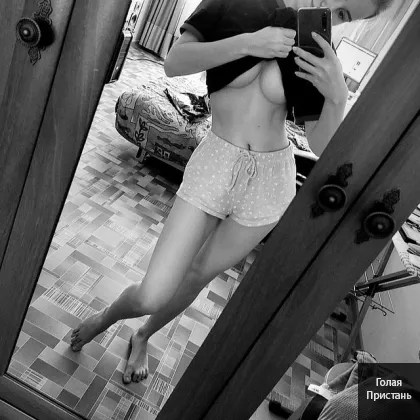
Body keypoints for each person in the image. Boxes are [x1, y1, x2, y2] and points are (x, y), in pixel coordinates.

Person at [71, 0, 394, 384]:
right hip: (215, 165)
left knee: (197, 276)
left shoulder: (314, 55)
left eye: (343, 16)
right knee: (151, 294)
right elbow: (175, 62)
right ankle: (105, 319)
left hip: (270, 183)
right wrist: (250, 43)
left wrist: (337, 98)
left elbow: (321, 145)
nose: (329, 11)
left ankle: (142, 336)